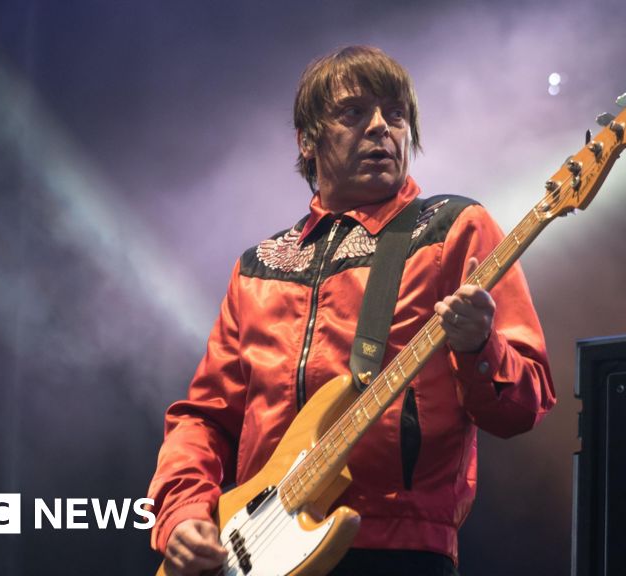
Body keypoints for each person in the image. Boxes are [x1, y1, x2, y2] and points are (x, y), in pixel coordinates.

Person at [148, 45, 556, 576]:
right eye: (354, 112)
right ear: (307, 140)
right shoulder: (258, 267)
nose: (381, 127)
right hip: (255, 553)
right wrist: (181, 514)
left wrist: (481, 346)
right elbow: (204, 418)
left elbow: (525, 404)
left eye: (396, 114)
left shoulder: (455, 230)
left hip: (400, 552)